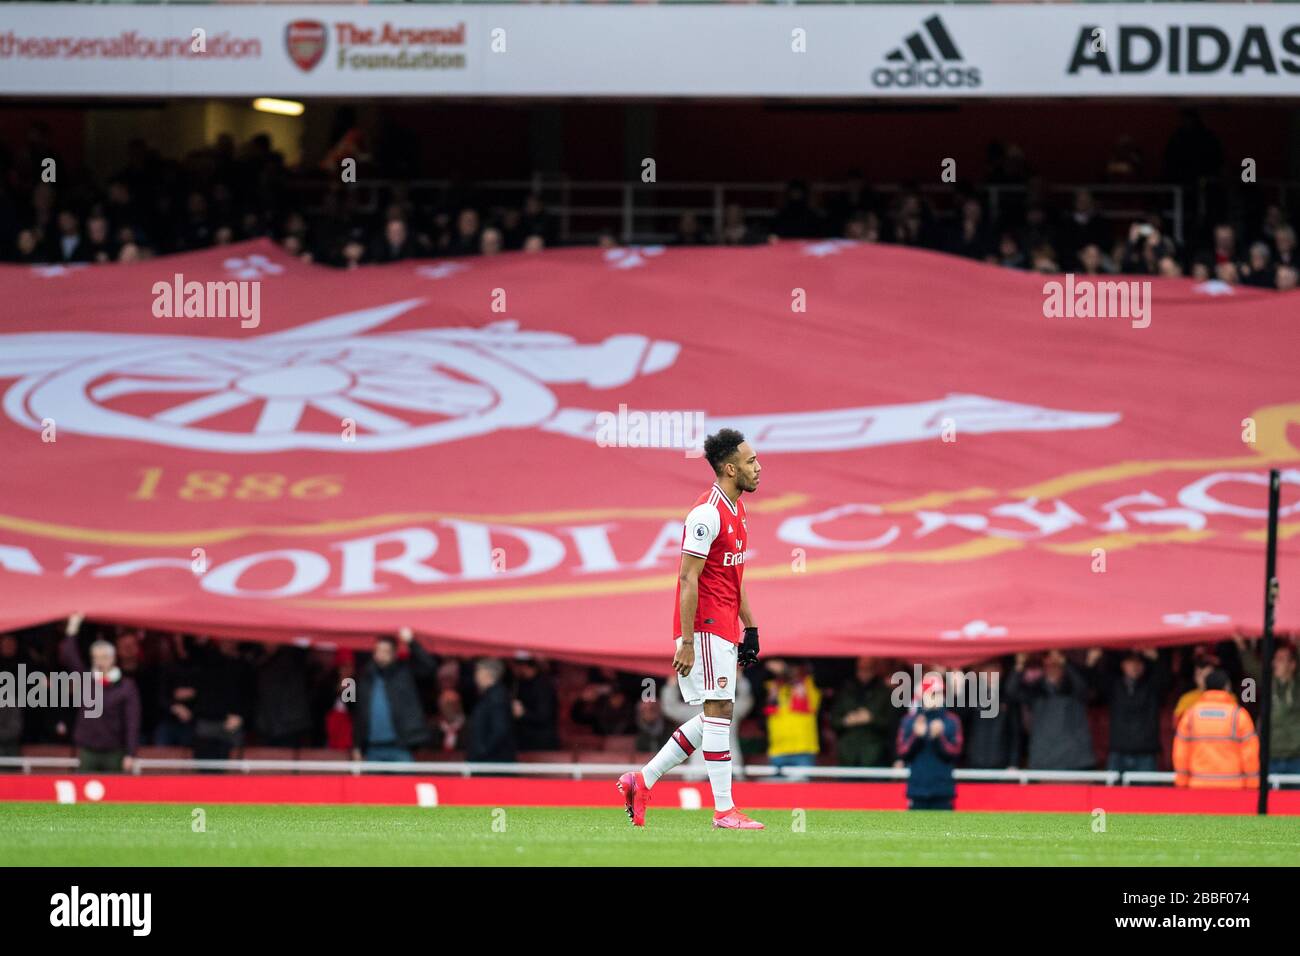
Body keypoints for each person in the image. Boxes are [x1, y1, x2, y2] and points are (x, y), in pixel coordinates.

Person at [618, 428, 765, 829]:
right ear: (731, 468)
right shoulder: (706, 514)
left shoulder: (738, 510)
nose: (758, 467)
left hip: (723, 623)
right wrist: (685, 641)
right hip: (704, 626)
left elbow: (735, 575)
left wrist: (749, 627)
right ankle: (723, 811)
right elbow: (687, 579)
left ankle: (642, 779)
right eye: (751, 461)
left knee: (718, 713)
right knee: (718, 712)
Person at [59, 614, 141, 773]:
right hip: (88, 750)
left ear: (113, 658)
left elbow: (132, 721)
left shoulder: (126, 686)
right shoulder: (86, 680)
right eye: (96, 657)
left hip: (115, 751)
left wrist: (131, 753)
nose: (100, 661)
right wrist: (72, 627)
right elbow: (68, 653)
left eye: (104, 657)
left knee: (115, 795)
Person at [351, 628, 435, 763]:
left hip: (401, 747)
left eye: (386, 651)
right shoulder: (365, 677)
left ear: (395, 653)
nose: (381, 655)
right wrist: (356, 746)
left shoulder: (405, 672)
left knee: (405, 784)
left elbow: (429, 667)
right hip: (373, 749)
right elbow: (355, 710)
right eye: (378, 650)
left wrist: (411, 642)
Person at [1004, 650, 1095, 770]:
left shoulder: (1074, 691)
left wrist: (1065, 662)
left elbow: (1082, 686)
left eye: (1056, 666)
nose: (1052, 669)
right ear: (1043, 670)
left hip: (1075, 760)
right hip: (1044, 759)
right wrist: (1020, 666)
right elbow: (1011, 691)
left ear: (1063, 669)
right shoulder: (1035, 691)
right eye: (1048, 666)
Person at [1087, 647, 1170, 773]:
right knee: (1113, 793)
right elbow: (1091, 682)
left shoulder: (1152, 686)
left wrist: (1157, 660)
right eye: (1130, 662)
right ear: (1123, 665)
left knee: (1147, 793)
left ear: (1144, 666)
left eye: (1138, 663)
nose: (1135, 666)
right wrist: (1091, 663)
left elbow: (1167, 680)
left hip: (1145, 753)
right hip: (1118, 752)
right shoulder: (1113, 685)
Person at [1173, 669, 1258, 789]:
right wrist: (1252, 784)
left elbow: (1181, 752)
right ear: (1226, 687)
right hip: (1232, 787)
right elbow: (1250, 754)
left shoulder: (1191, 715)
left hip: (1198, 785)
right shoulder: (1238, 715)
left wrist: (1182, 782)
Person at [1236, 634, 1300, 775]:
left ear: (1292, 665)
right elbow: (1252, 668)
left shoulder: (1297, 687)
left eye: (1280, 660)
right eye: (1275, 659)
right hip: (1271, 756)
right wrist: (1242, 646)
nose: (1274, 663)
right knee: (1270, 797)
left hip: (1296, 758)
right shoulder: (1269, 683)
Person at [896, 674, 963, 810]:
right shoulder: (909, 721)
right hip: (917, 790)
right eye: (932, 693)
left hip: (943, 790)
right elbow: (902, 752)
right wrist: (917, 736)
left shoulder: (951, 720)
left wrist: (939, 738)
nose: (937, 697)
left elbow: (956, 753)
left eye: (939, 693)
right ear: (922, 695)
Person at [831, 656, 896, 767]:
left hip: (874, 755)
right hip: (848, 754)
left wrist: (871, 719)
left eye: (868, 669)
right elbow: (834, 721)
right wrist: (846, 721)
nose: (864, 673)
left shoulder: (885, 692)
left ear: (875, 669)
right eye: (861, 669)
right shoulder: (846, 690)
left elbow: (892, 724)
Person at [762, 658, 821, 773]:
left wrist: (784, 670)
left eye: (793, 666)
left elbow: (824, 674)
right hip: (777, 750)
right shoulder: (772, 686)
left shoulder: (810, 684)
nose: (792, 670)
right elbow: (754, 679)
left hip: (803, 750)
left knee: (802, 790)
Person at [467, 658, 516, 762]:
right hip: (490, 760)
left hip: (491, 762)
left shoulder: (496, 697)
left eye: (478, 671)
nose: (475, 676)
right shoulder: (492, 695)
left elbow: (500, 729)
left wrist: (482, 750)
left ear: (487, 673)